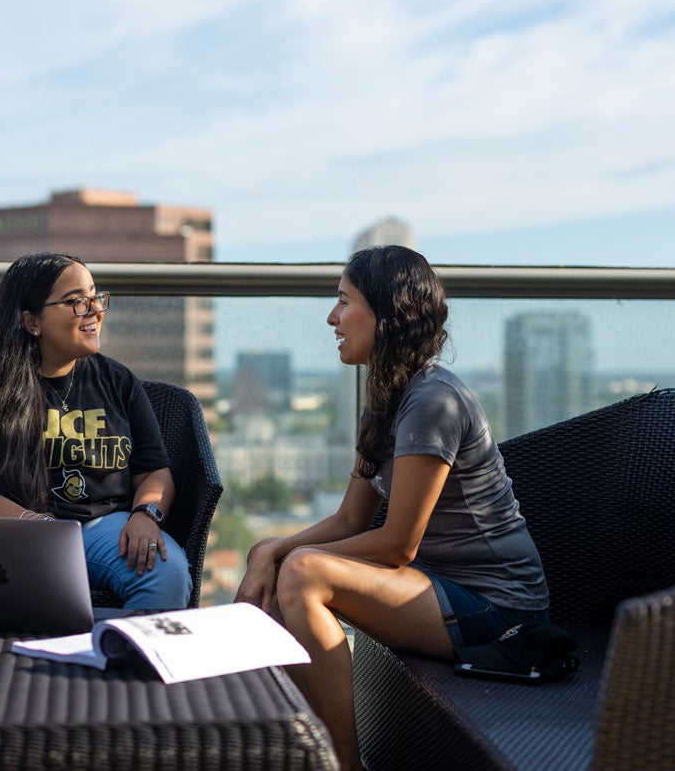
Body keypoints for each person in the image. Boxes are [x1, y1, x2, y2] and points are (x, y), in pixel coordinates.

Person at [234, 245, 550, 771]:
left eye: (343, 301)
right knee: (277, 566)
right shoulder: (386, 400)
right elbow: (349, 520)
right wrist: (270, 548)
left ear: (388, 315)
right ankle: (294, 750)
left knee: (304, 572)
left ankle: (342, 763)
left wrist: (291, 557)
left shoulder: (433, 401)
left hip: (502, 612)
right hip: (441, 591)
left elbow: (398, 545)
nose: (332, 317)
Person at [0, 252, 191, 609]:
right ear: (31, 321)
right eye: (75, 302)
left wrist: (145, 515)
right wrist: (37, 526)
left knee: (166, 571)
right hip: (20, 535)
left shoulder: (118, 381)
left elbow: (154, 472)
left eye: (95, 297)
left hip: (105, 528)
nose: (94, 311)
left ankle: (127, 658)